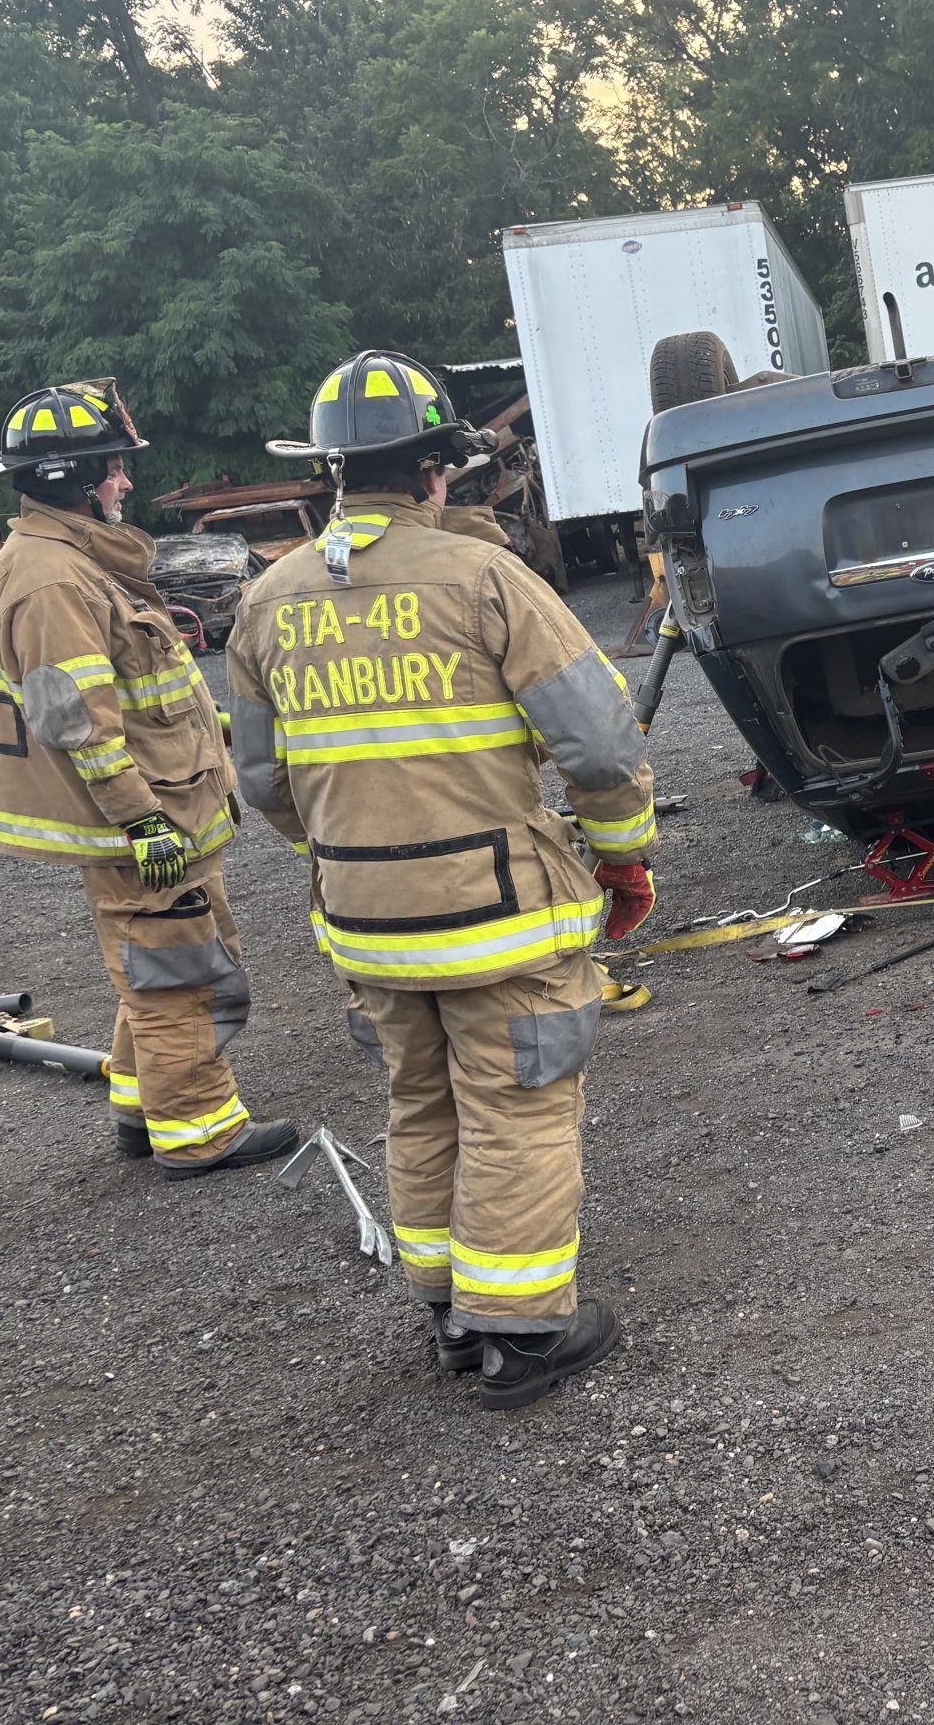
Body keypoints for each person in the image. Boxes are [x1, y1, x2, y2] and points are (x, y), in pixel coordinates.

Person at [226, 351, 658, 1406]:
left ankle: (449, 1310)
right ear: (436, 471)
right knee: (518, 1106)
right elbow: (599, 749)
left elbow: (261, 779)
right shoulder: (487, 579)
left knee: (419, 1102)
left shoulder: (269, 600)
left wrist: (343, 859)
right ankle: (519, 1336)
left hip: (365, 926)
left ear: (333, 474)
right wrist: (621, 854)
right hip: (498, 918)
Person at [0, 382, 293, 1174]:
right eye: (112, 469)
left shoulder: (75, 560)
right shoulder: (49, 580)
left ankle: (140, 1107)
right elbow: (74, 720)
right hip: (142, 823)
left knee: (153, 958)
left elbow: (138, 697)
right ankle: (198, 1131)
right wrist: (141, 820)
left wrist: (214, 737)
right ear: (73, 481)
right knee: (174, 969)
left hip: (159, 803)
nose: (124, 482)